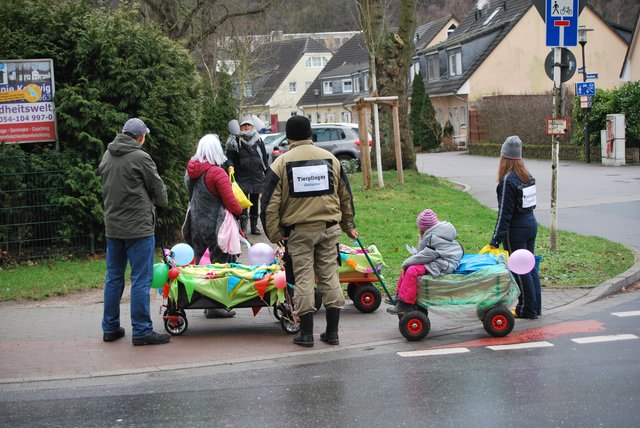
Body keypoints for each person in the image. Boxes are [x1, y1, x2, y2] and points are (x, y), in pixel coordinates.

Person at [261, 115, 358, 347]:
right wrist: (348, 226)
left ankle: (306, 334)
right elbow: (345, 196)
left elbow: (269, 205)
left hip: (298, 233)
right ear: (310, 135)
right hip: (329, 229)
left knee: (303, 279)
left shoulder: (280, 164)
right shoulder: (331, 159)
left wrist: (276, 235)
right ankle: (332, 333)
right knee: (329, 276)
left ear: (289, 138)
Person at [99, 118, 171, 346]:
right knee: (141, 278)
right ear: (140, 137)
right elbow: (158, 190)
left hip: (113, 227)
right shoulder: (141, 157)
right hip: (138, 228)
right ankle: (141, 331)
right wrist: (162, 201)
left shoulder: (107, 155)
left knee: (114, 277)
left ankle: (110, 328)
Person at [183, 134, 243, 319]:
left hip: (195, 222)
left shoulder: (191, 171)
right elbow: (231, 203)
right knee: (219, 264)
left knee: (201, 263)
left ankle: (203, 300)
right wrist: (240, 211)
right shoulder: (217, 173)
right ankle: (215, 305)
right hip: (216, 225)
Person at [489, 135, 542, 319]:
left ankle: (526, 309)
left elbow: (504, 214)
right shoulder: (527, 177)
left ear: (504, 158)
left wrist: (495, 240)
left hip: (516, 230)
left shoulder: (507, 181)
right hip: (531, 224)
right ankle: (536, 307)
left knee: (520, 269)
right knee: (531, 267)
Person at [387, 209, 463, 314]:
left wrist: (406, 263)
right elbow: (425, 253)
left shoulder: (433, 238)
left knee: (412, 270)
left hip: (444, 264)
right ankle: (399, 296)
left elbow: (425, 256)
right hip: (438, 259)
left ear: (424, 229)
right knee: (408, 267)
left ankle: (405, 304)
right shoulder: (436, 232)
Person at [225, 117, 269, 235]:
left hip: (256, 176)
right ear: (239, 127)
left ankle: (254, 227)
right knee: (243, 203)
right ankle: (243, 228)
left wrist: (267, 172)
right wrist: (230, 166)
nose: (246, 127)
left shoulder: (258, 140)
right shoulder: (235, 140)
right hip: (242, 177)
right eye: (244, 125)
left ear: (252, 126)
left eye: (249, 125)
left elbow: (264, 158)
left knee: (255, 202)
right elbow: (229, 158)